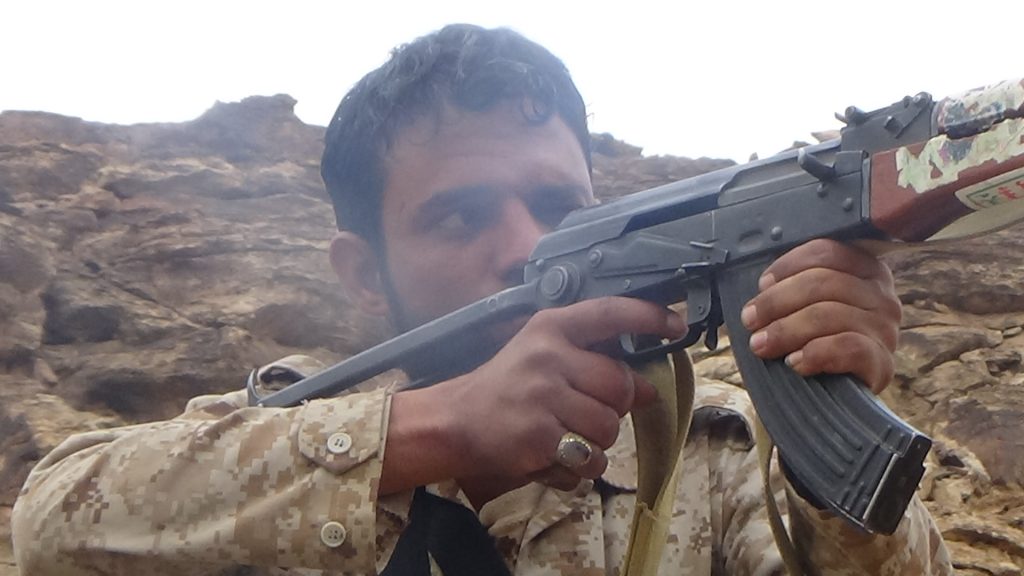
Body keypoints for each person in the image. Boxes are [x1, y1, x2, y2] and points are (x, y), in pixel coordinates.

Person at [12, 23, 951, 575]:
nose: (523, 249)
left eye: (558, 208)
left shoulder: (713, 452)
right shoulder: (285, 433)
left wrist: (828, 397)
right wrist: (443, 430)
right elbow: (54, 523)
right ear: (363, 273)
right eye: (459, 218)